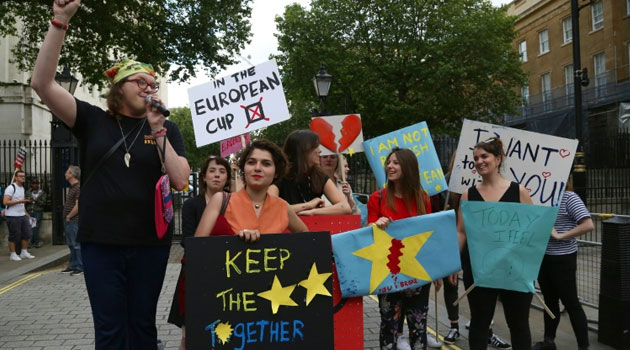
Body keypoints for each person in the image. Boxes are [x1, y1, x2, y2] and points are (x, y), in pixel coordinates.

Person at [30, 1, 190, 348]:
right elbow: (41, 84)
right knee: (110, 329)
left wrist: (159, 131)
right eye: (140, 81)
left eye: (154, 83)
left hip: (150, 245)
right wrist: (60, 22)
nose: (150, 87)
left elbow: (180, 180)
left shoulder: (167, 128)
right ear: (119, 87)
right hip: (102, 243)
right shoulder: (93, 120)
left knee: (143, 327)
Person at [457, 137, 533, 350]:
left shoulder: (520, 192)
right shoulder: (468, 195)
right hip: (480, 269)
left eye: (484, 156)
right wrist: (452, 264)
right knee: (480, 323)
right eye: (475, 158)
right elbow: (461, 231)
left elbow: (531, 231)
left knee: (518, 324)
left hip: (514, 269)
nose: (479, 161)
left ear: (498, 159)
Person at [367, 147, 438, 350]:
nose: (390, 166)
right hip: (388, 273)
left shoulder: (422, 198)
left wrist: (437, 270)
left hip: (417, 272)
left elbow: (428, 236)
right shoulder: (377, 198)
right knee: (389, 327)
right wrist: (376, 224)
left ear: (408, 167)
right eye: (388, 162)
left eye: (396, 162)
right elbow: (367, 231)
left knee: (419, 328)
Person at [168, 155, 232, 350]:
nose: (217, 176)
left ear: (228, 178)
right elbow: (188, 240)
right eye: (212, 171)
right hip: (197, 272)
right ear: (203, 176)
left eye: (222, 172)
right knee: (190, 335)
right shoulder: (191, 205)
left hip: (227, 273)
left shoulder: (234, 203)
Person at [195, 139, 307, 239]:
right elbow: (198, 246)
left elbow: (307, 238)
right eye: (251, 162)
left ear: (276, 172)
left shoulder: (282, 207)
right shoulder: (221, 200)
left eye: (266, 164)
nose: (257, 168)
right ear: (244, 168)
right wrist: (237, 242)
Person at [533, 177, 593, 350]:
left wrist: (561, 235)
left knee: (571, 302)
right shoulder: (539, 196)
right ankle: (548, 341)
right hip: (543, 258)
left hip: (563, 259)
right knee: (549, 302)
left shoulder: (569, 197)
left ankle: (584, 346)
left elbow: (588, 224)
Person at [269, 130, 351, 216]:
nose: (320, 151)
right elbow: (271, 209)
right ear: (303, 150)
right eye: (315, 146)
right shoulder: (279, 175)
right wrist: (308, 205)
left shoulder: (320, 175)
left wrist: (313, 212)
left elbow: (345, 207)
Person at [3, 170, 35, 261]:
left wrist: (27, 214)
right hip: (12, 216)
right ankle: (13, 254)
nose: (23, 177)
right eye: (20, 176)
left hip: (22, 215)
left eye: (24, 176)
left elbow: (22, 204)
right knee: (14, 235)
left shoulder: (22, 188)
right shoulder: (11, 188)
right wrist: (20, 201)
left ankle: (24, 252)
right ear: (16, 177)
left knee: (27, 233)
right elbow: (5, 202)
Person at [60, 165, 82, 275]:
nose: (65, 174)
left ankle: (79, 265)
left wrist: (69, 216)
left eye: (67, 172)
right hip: (69, 220)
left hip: (74, 220)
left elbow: (78, 205)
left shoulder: (78, 187)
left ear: (72, 175)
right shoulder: (73, 187)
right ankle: (73, 265)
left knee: (76, 243)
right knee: (70, 243)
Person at [26, 178, 47, 249]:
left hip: (37, 211)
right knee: (30, 227)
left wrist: (36, 200)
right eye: (33, 183)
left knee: (36, 227)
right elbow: (24, 201)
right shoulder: (28, 192)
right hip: (29, 211)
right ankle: (34, 242)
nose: (35, 185)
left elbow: (43, 203)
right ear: (31, 184)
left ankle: (34, 242)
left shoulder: (42, 193)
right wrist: (28, 200)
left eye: (36, 184)